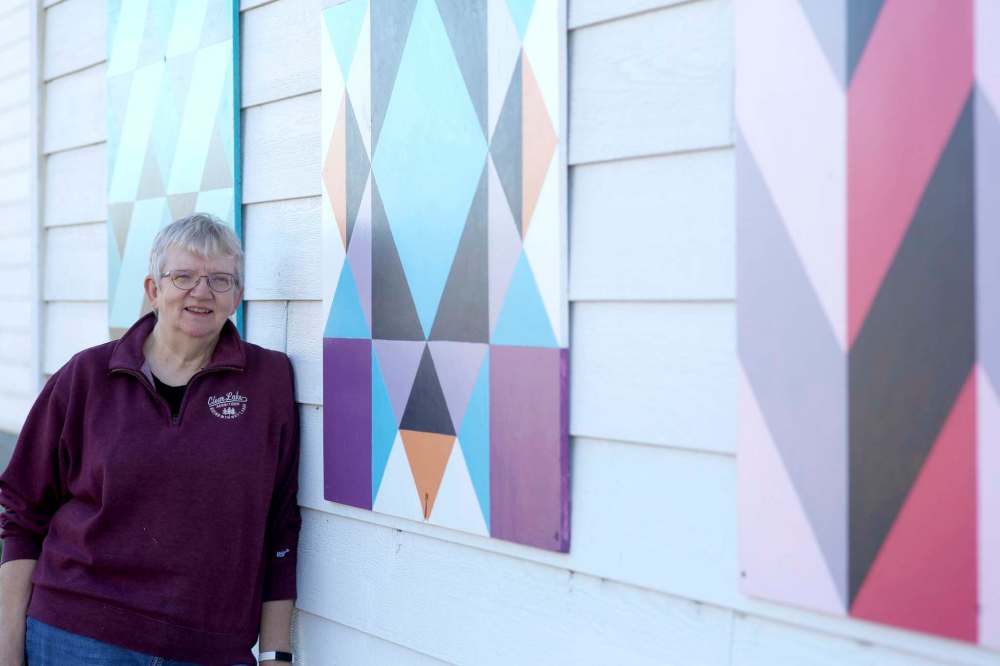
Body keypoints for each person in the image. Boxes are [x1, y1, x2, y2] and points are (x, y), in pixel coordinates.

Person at [0, 213, 301, 665]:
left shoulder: (269, 382)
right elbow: (23, 518)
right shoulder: (86, 377)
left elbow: (280, 523)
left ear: (237, 296)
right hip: (78, 638)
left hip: (208, 649)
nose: (201, 292)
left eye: (220, 279)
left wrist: (278, 654)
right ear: (153, 290)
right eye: (183, 276)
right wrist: (7, 652)